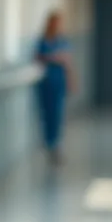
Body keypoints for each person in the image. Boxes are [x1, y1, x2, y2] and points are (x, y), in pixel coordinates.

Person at [34, 10, 74, 165]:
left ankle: (55, 145)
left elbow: (68, 61)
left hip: (58, 83)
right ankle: (49, 143)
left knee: (57, 114)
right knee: (47, 115)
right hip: (45, 84)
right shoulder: (43, 40)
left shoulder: (62, 40)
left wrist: (71, 80)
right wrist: (55, 58)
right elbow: (38, 56)